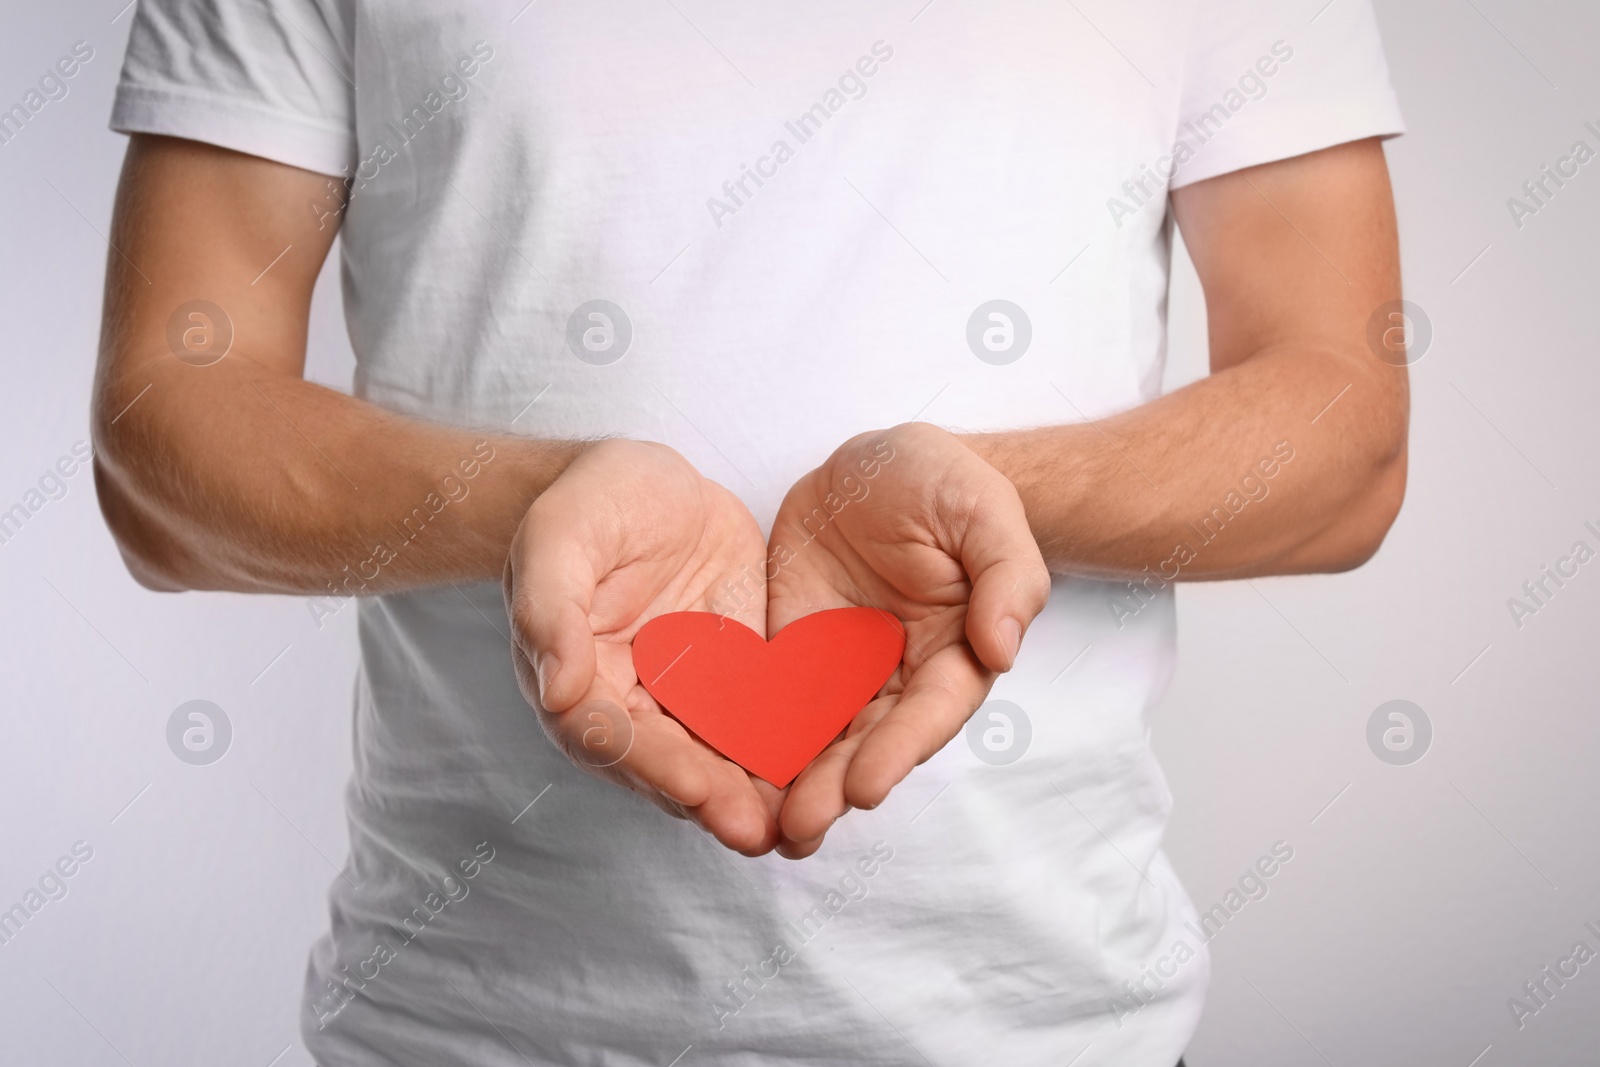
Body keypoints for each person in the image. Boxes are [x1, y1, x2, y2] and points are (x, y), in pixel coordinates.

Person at [93, 1, 1407, 1063]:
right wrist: (545, 508)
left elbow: (1346, 438)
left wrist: (968, 501)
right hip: (463, 1029)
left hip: (1052, 1029)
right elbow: (166, 437)